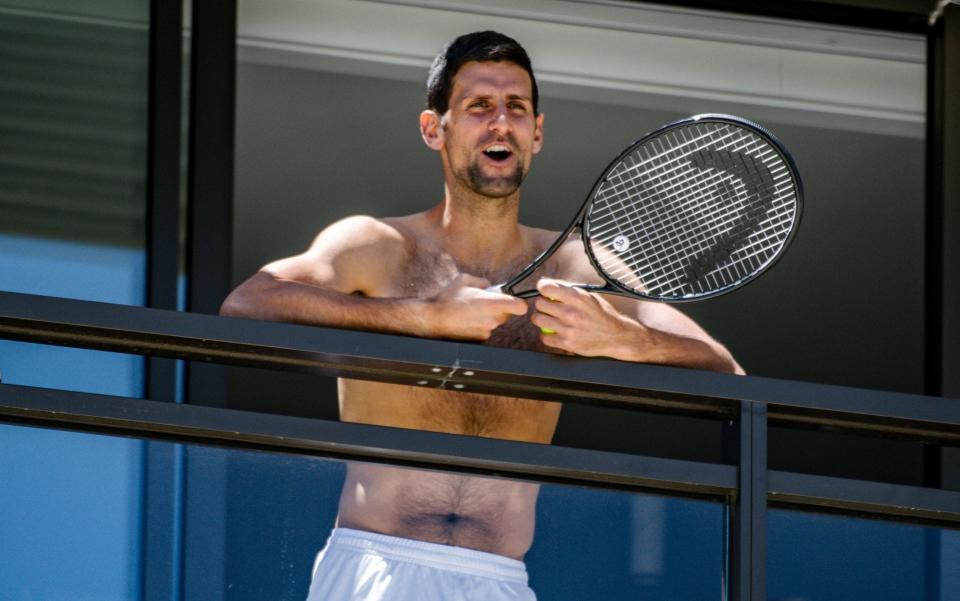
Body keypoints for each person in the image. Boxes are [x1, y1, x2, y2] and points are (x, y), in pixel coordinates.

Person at [221, 30, 743, 601]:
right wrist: (424, 317)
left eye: (516, 107)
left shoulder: (578, 261)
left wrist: (624, 339)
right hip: (378, 566)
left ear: (537, 133)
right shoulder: (375, 244)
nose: (501, 122)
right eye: (478, 106)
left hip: (499, 579)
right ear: (433, 129)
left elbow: (727, 374)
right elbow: (249, 305)